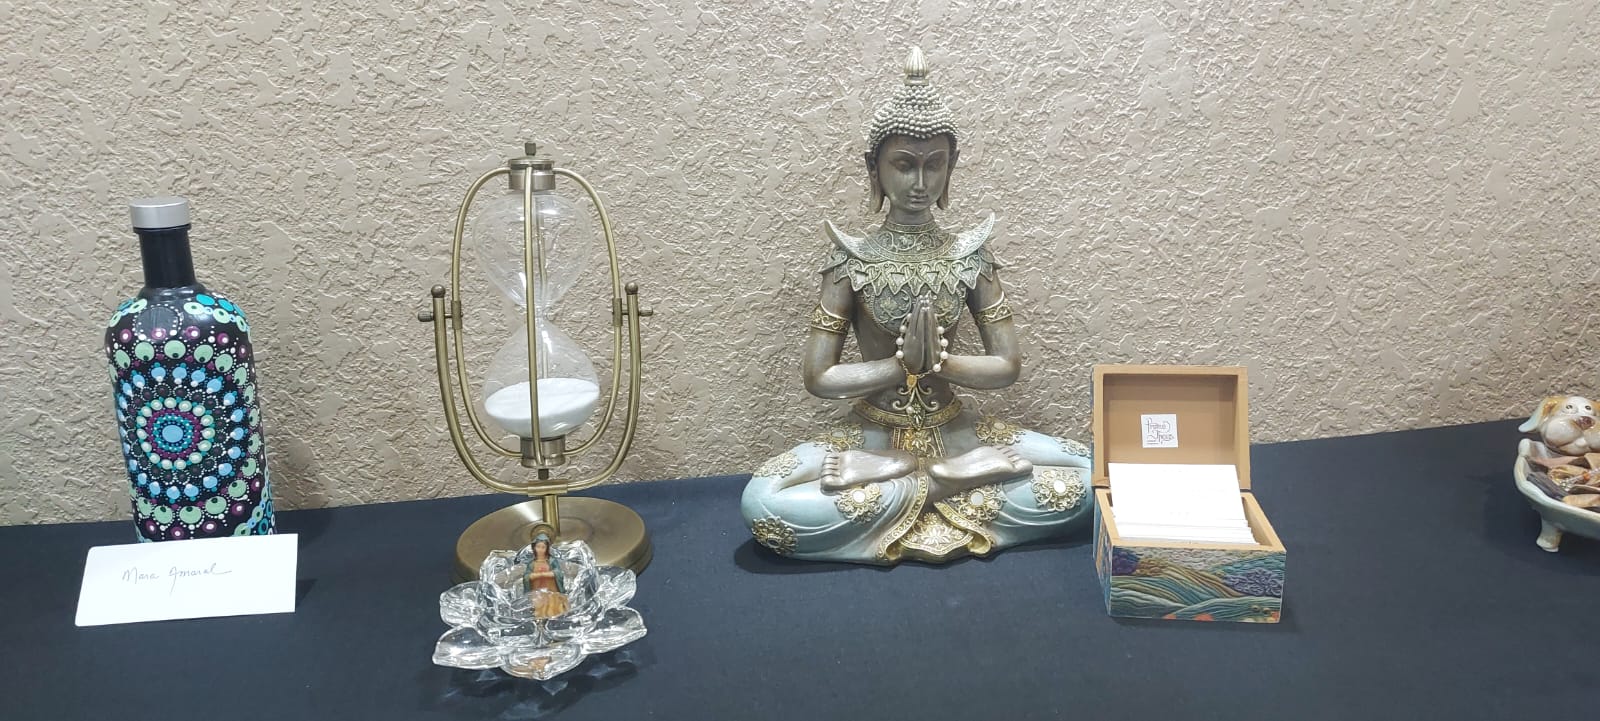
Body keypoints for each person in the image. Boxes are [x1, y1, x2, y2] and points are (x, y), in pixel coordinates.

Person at [739, 48, 1093, 564]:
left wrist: (940, 365)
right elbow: (818, 376)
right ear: (875, 168)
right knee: (763, 504)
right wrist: (898, 366)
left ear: (952, 167)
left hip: (958, 428)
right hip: (872, 434)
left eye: (934, 165)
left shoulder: (971, 256)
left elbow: (1007, 365)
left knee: (1091, 474)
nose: (920, 184)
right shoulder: (850, 261)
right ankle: (941, 481)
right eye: (904, 165)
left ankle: (924, 480)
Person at [526, 532, 569, 618]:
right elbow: (526, 576)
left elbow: (559, 573)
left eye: (543, 547)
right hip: (538, 590)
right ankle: (540, 618)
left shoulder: (552, 561)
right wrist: (532, 576)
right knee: (540, 606)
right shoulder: (531, 564)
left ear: (547, 548)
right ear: (534, 548)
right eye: (538, 547)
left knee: (553, 605)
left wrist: (547, 574)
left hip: (551, 590)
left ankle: (555, 617)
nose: (540, 550)